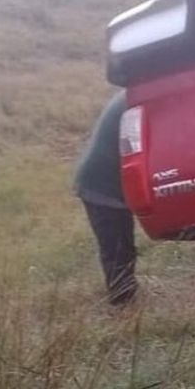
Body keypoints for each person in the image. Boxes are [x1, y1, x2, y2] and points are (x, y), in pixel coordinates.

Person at [73, 90, 137, 305]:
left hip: (108, 179)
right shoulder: (138, 98)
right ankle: (123, 308)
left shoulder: (134, 92)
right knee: (117, 249)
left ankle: (125, 297)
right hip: (101, 184)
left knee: (122, 246)